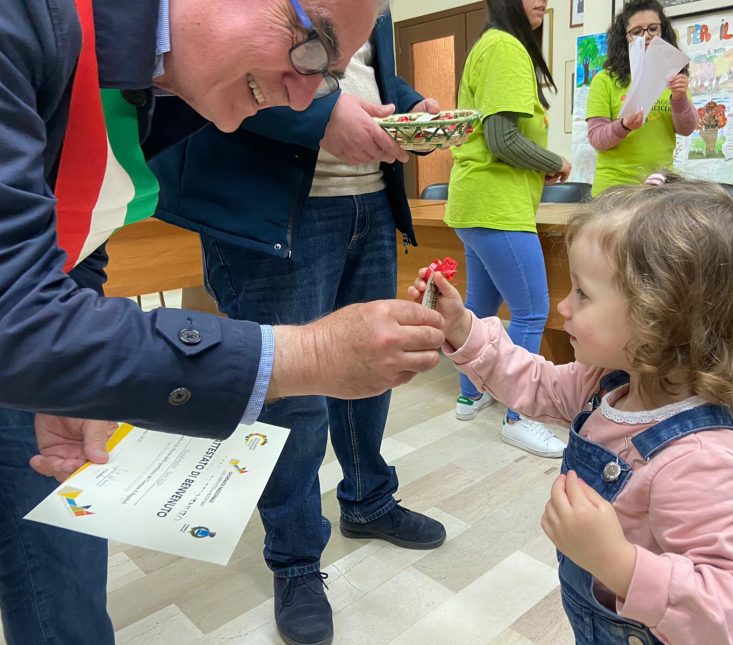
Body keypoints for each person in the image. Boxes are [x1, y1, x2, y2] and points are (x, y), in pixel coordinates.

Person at [0, 1, 445, 643]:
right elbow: (16, 315)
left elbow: (74, 222)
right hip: (267, 231)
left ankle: (364, 498)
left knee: (65, 557)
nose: (303, 101)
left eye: (329, 73)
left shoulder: (149, 75)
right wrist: (306, 356)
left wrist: (69, 364)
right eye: (311, 45)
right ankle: (295, 563)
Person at [148, 12, 445, 645]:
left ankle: (368, 501)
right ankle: (296, 561)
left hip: (368, 198)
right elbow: (213, 67)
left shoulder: (373, 12)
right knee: (292, 392)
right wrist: (319, 117)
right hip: (276, 214)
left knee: (375, 370)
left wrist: (415, 108)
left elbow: (364, 75)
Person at [410, 175, 733, 644]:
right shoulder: (608, 384)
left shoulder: (703, 461)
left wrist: (620, 564)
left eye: (583, 293)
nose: (562, 307)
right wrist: (462, 327)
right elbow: (535, 383)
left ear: (659, 317)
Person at [443, 0, 571, 458]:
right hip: (497, 206)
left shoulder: (490, 44)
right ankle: (520, 416)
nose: (545, 3)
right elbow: (503, 140)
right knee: (533, 311)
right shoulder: (507, 47)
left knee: (478, 306)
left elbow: (495, 137)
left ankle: (469, 393)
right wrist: (555, 162)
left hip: (478, 204)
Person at [586, 0, 698, 196]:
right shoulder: (604, 80)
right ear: (624, 37)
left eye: (653, 29)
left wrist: (679, 99)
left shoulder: (673, 75)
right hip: (615, 189)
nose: (646, 36)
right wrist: (624, 126)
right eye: (636, 32)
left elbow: (687, 129)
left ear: (663, 31)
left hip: (660, 188)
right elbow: (597, 139)